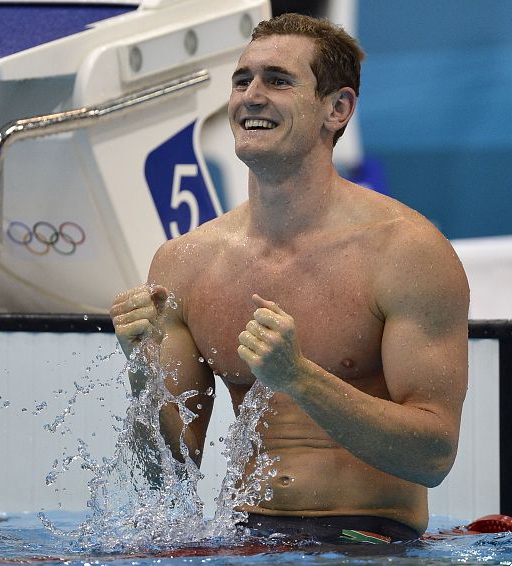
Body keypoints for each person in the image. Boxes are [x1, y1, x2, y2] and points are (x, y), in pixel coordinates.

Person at [110, 13, 469, 544]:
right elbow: (165, 477)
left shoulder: (406, 252)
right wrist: (141, 373)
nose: (251, 96)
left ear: (337, 108)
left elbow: (433, 455)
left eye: (277, 81)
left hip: (369, 541)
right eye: (241, 81)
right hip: (244, 538)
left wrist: (299, 378)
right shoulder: (185, 263)